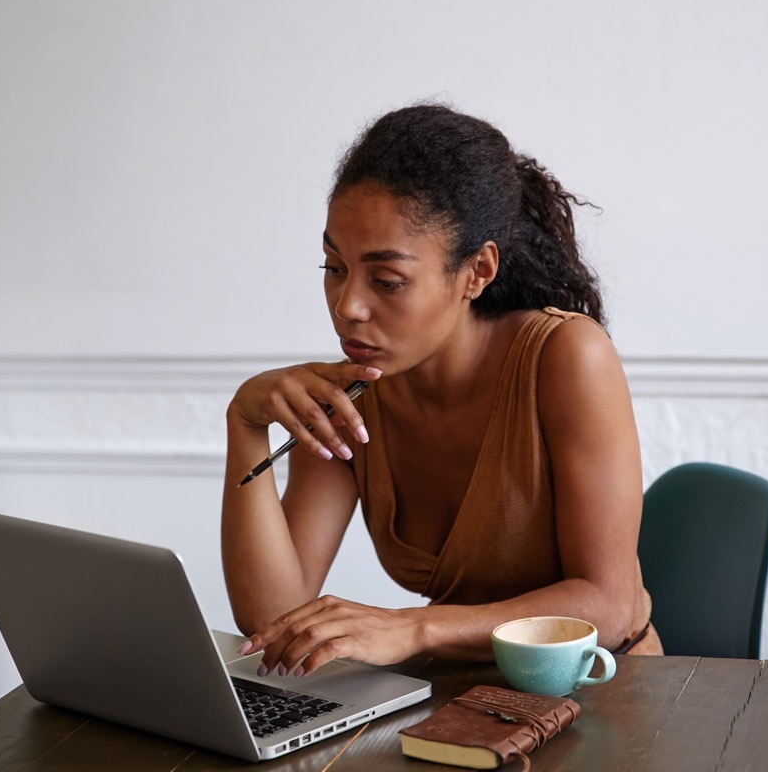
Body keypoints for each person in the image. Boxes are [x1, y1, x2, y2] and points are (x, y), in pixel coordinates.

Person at [222, 103, 661, 680]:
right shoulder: (349, 397)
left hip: (603, 690)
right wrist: (245, 424)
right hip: (454, 696)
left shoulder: (565, 356)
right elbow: (273, 620)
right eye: (334, 268)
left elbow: (607, 605)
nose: (348, 307)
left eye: (387, 281)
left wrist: (413, 627)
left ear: (477, 271)